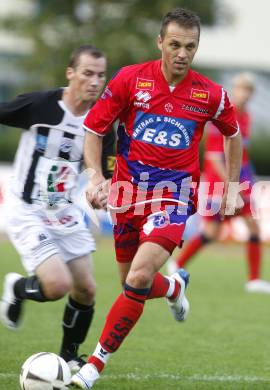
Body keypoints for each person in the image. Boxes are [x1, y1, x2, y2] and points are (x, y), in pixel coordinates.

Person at [71, 8, 243, 388]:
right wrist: (96, 175)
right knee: (135, 285)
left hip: (174, 198)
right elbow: (93, 129)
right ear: (160, 43)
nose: (183, 53)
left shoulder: (210, 94)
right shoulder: (131, 80)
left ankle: (92, 367)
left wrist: (231, 186)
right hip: (127, 197)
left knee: (139, 274)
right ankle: (175, 287)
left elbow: (232, 134)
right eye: (176, 45)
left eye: (191, 46)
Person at [0, 45, 115, 372]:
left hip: (62, 212)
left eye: (100, 75)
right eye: (87, 73)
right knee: (57, 286)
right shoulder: (39, 105)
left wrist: (99, 190)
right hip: (27, 210)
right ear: (70, 73)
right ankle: (17, 288)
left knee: (86, 288)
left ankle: (68, 356)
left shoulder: (102, 122)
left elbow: (101, 174)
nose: (95, 81)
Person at [167, 72, 270, 293]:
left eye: (249, 89)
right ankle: (177, 264)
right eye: (241, 88)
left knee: (249, 225)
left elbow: (241, 154)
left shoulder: (246, 117)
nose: (245, 93)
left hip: (239, 181)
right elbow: (214, 158)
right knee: (213, 232)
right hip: (218, 184)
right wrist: (232, 186)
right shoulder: (224, 116)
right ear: (235, 90)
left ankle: (253, 280)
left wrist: (245, 180)